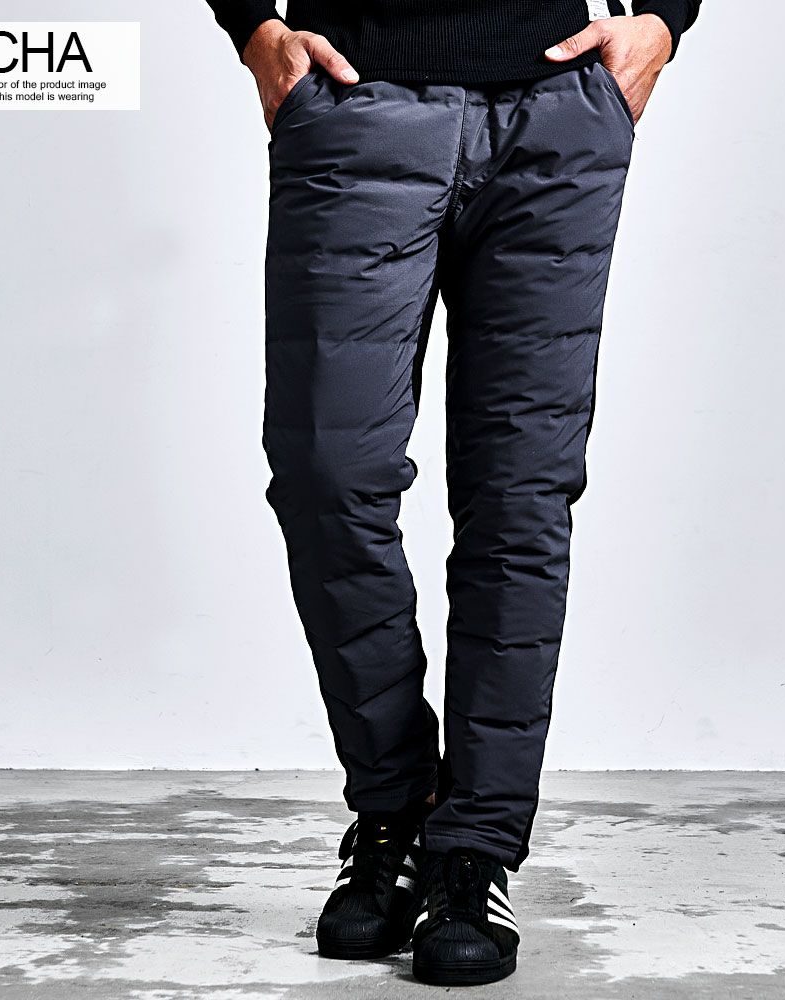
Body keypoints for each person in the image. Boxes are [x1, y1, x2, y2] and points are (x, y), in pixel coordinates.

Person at [204, 0, 699, 985]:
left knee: (520, 494)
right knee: (326, 475)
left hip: (557, 113)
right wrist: (253, 28)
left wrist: (664, 21)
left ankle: (473, 849)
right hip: (357, 97)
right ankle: (394, 810)